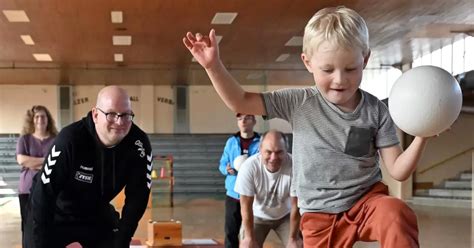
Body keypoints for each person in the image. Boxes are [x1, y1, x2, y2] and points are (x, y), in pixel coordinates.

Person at [184, 6, 435, 248]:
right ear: (307, 62)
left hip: (366, 203)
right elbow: (241, 100)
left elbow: (398, 170)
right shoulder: (299, 102)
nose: (340, 79)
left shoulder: (376, 110)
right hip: (319, 214)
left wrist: (422, 136)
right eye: (327, 69)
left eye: (350, 69)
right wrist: (212, 66)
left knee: (396, 212)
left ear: (365, 59)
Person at [24, 86, 153, 248]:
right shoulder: (70, 140)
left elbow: (138, 198)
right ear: (96, 115)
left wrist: (122, 240)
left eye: (126, 115)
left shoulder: (139, 145)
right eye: (111, 114)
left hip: (95, 210)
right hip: (55, 210)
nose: (119, 122)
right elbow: (43, 196)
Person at [234, 130, 302, 248]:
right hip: (257, 216)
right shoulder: (249, 167)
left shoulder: (295, 166)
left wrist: (292, 239)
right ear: (260, 149)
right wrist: (249, 238)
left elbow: (296, 205)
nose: (273, 158)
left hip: (285, 216)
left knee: (297, 246)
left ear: (287, 150)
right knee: (247, 246)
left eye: (279, 152)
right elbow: (245, 207)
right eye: (268, 152)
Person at [16, 105, 58, 247]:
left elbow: (59, 162)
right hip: (26, 190)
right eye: (37, 116)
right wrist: (47, 161)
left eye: (43, 116)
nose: (40, 119)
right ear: (32, 120)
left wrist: (32, 162)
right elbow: (21, 160)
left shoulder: (56, 140)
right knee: (27, 224)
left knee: (48, 223)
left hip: (49, 189)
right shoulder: (25, 139)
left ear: (48, 119)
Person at [219, 113, 260, 248]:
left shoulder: (261, 142)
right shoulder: (231, 142)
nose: (243, 121)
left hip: (252, 195)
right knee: (230, 232)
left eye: (247, 118)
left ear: (254, 121)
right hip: (233, 194)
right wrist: (227, 169)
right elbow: (222, 164)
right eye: (240, 119)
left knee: (251, 233)